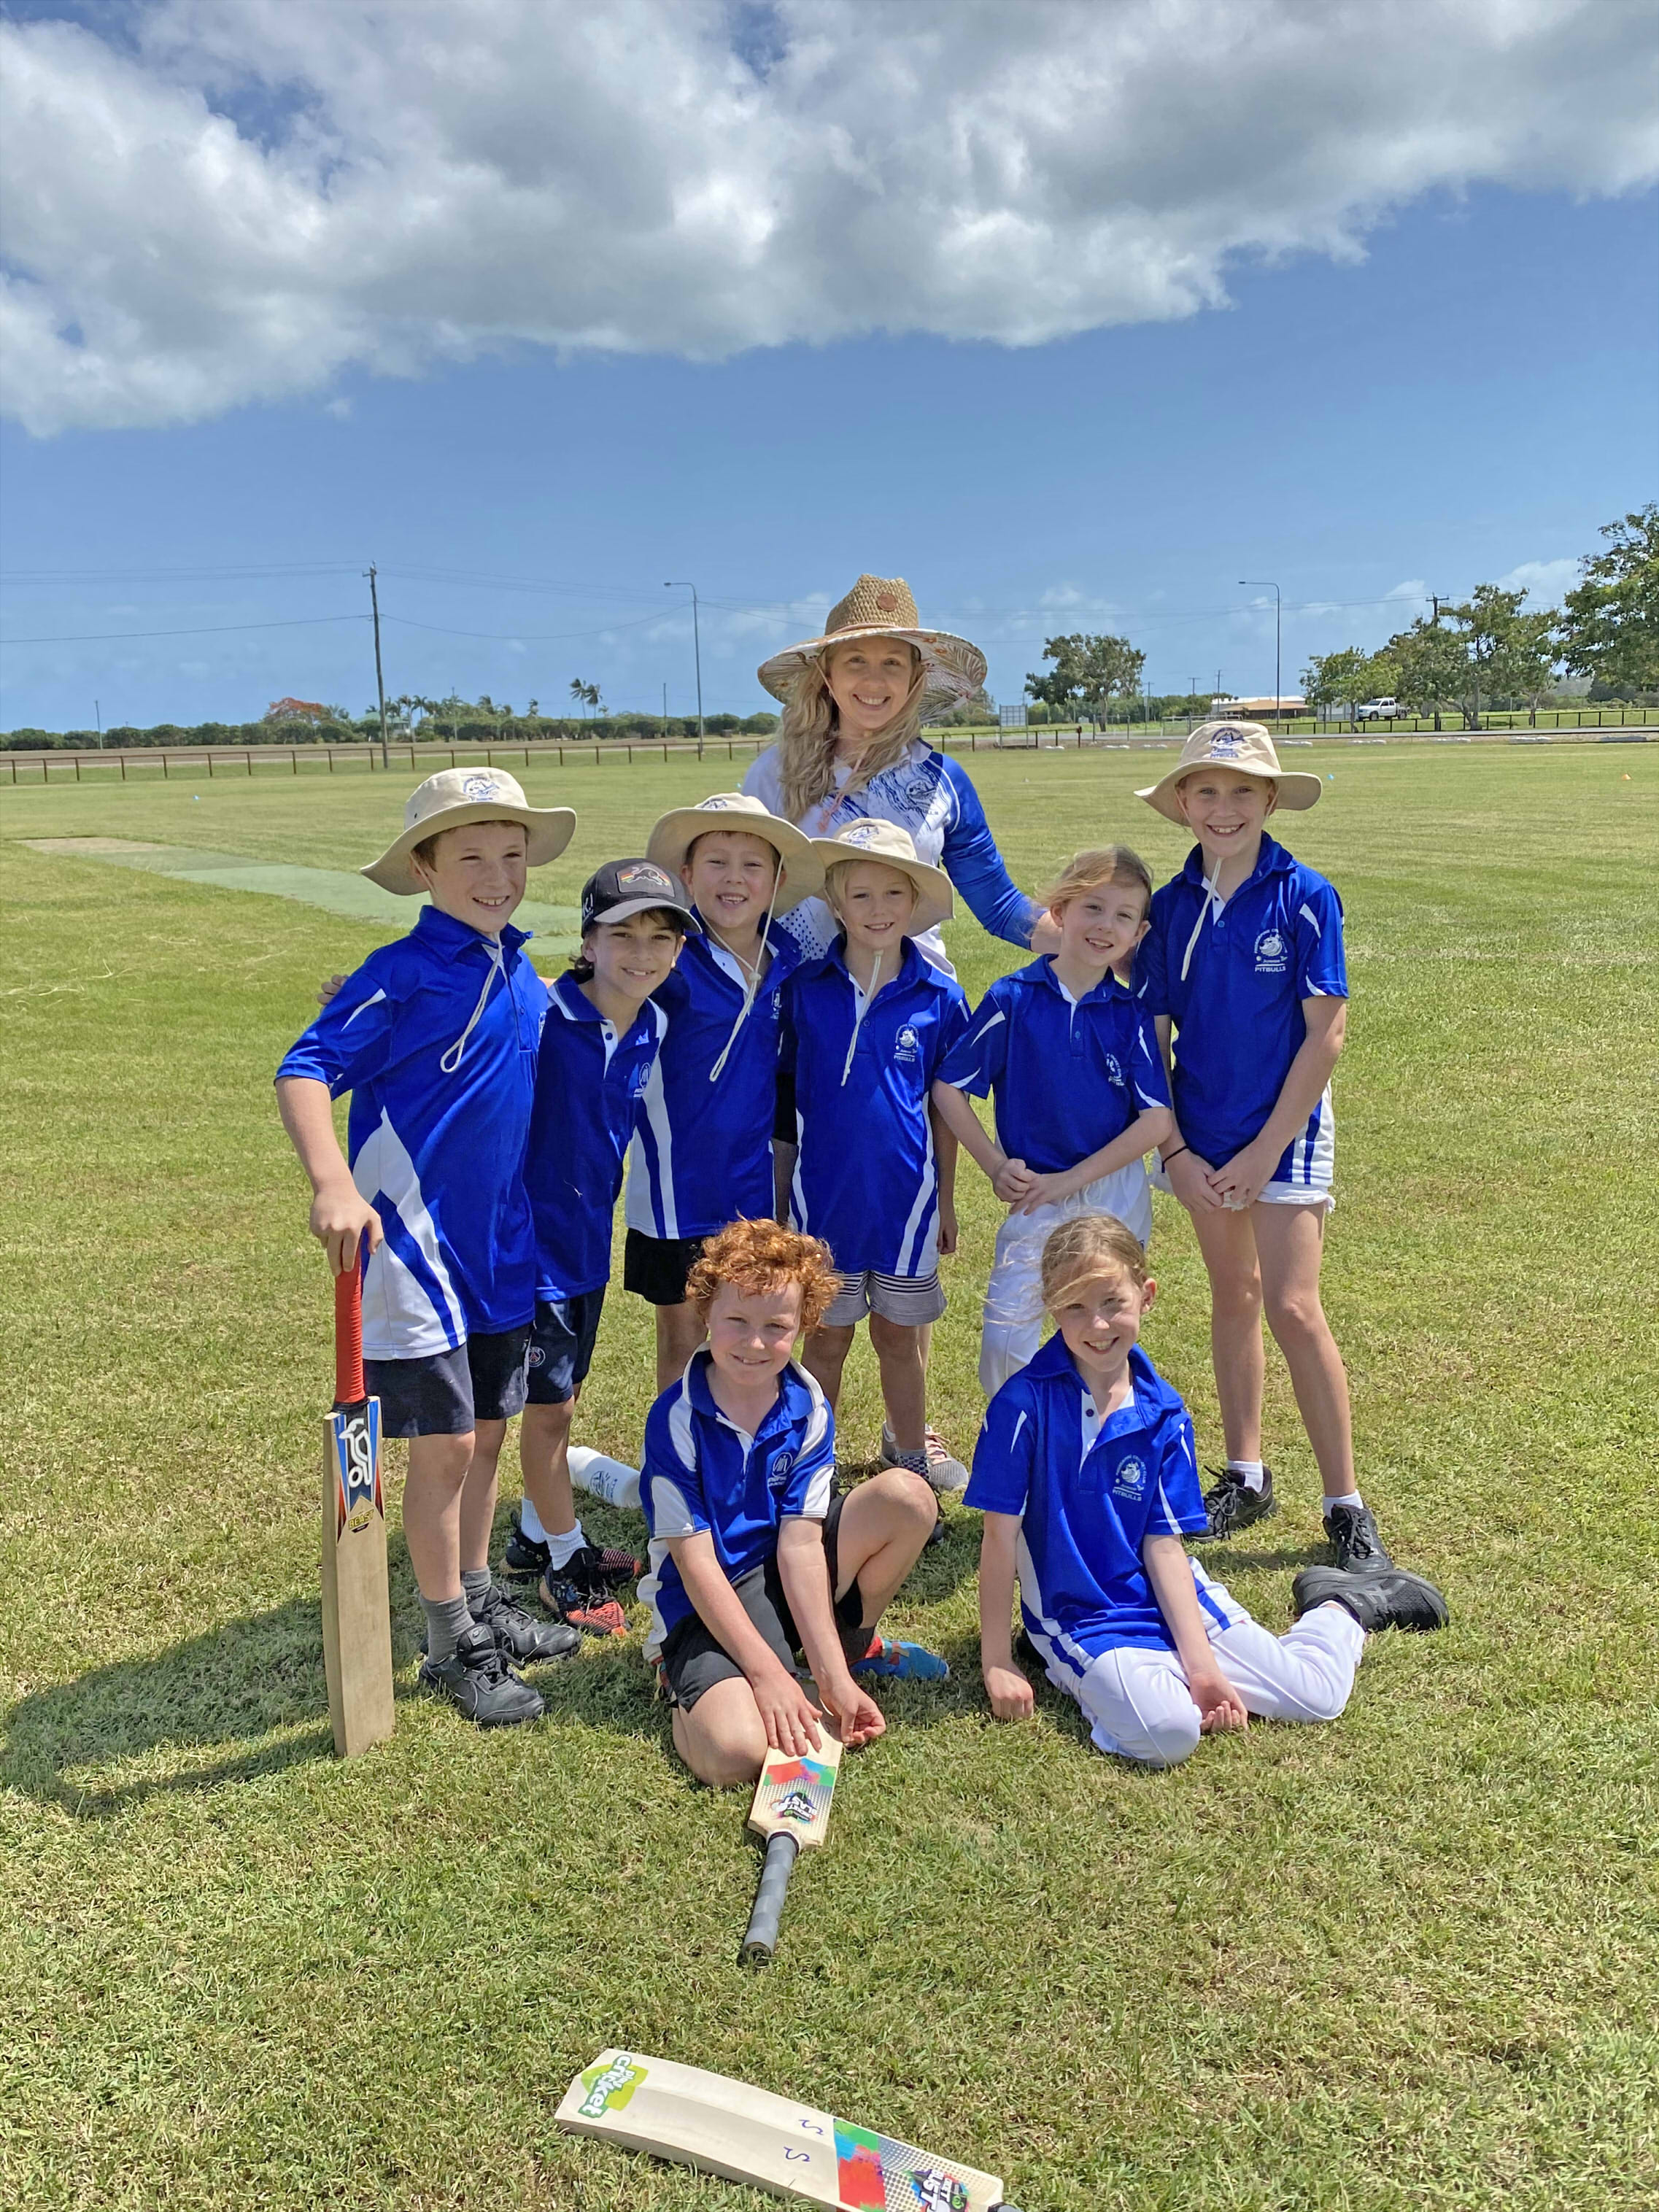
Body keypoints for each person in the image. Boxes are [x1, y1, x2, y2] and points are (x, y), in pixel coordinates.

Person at [274, 769, 584, 1728]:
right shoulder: (400, 973)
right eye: (471, 858)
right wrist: (330, 1182)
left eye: (510, 856)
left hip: (501, 1245)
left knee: (488, 1430)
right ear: (425, 867)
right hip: (413, 1243)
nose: (496, 876)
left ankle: (480, 1589)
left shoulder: (523, 978)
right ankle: (452, 1637)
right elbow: (304, 1065)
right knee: (447, 1444)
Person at [745, 573, 1061, 1487]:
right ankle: (801, 1438)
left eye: (893, 662)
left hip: (915, 1008)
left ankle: (909, 1439)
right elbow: (730, 878)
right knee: (821, 1239)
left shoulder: (941, 780)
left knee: (907, 1258)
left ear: (917, 678)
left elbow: (997, 899)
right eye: (857, 662)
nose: (874, 679)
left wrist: (1084, 944)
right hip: (803, 999)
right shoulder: (779, 772)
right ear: (828, 674)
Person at [967, 1215, 1447, 1768]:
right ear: (1052, 1305)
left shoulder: (1164, 1411)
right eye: (1075, 1306)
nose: (1097, 1325)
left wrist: (1203, 1669)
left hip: (1178, 1601)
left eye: (1111, 1302)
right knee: (1170, 1733)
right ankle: (1085, 1666)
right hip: (1086, 1619)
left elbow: (1163, 1547)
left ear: (1146, 1296)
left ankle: (1344, 1606)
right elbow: (999, 1538)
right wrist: (997, 1660)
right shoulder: (1021, 1406)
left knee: (1316, 1697)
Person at [1134, 722, 1388, 1567]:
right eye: (1205, 790)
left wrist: (1264, 1151)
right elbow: (1155, 1033)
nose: (1224, 807)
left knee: (1292, 1305)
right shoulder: (1168, 907)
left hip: (1285, 1133)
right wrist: (1176, 1150)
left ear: (1272, 800)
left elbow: (1328, 1034)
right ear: (1180, 804)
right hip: (1201, 1140)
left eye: (1243, 790)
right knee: (1233, 1294)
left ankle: (1346, 1503)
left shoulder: (1306, 893)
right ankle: (1245, 1471)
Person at [640, 1218, 945, 1790]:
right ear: (706, 1314)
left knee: (908, 1498)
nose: (755, 1343)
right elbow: (696, 1563)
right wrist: (766, 1676)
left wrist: (831, 1679)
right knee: (734, 1755)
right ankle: (678, 1675)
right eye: (737, 1321)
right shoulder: (676, 1418)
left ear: (803, 1324)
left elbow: (801, 1545)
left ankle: (846, 1654)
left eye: (776, 1326)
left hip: (781, 1574)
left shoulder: (808, 1407)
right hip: (708, 1594)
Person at [513, 859, 693, 1635]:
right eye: (624, 934)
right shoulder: (543, 1014)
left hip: (586, 1242)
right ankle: (564, 1558)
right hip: (530, 1249)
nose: (644, 953)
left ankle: (530, 1529)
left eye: (661, 937)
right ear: (587, 940)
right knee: (550, 1413)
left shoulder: (651, 1022)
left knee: (563, 1395)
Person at [932, 846, 1173, 1396]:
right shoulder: (1013, 998)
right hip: (1034, 1192)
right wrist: (994, 1165)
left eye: (1123, 916)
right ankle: (1015, 1457)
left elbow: (1156, 1121)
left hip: (1111, 1192)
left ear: (1138, 933)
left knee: (1104, 1332)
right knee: (1006, 1340)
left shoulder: (1129, 1012)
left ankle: (1095, 1448)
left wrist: (1072, 1181)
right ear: (1060, 912)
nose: (1105, 925)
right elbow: (949, 1088)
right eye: (1093, 907)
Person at [784, 821, 971, 1501]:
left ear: (916, 902)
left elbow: (945, 1113)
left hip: (906, 1207)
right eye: (861, 895)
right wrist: (781, 1204)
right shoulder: (804, 990)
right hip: (822, 1206)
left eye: (895, 892)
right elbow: (785, 1111)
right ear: (836, 902)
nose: (879, 908)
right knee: (826, 1343)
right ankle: (813, 1466)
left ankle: (910, 1457)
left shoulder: (939, 996)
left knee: (899, 1338)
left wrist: (946, 1200)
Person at [622, 793, 824, 1394]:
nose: (733, 878)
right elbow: (580, 993)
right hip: (674, 1190)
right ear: (686, 876)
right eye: (715, 862)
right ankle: (676, 1472)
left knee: (750, 1333)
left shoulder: (787, 957)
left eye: (751, 864)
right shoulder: (665, 954)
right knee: (683, 1339)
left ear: (777, 879)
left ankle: (739, 1457)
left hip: (753, 1187)